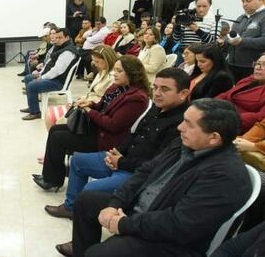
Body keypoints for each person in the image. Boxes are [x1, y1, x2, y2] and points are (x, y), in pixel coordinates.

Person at [57, 99, 251, 257]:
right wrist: (114, 204)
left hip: (172, 242)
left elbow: (180, 224)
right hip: (145, 212)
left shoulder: (225, 176)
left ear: (214, 138)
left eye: (189, 125)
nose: (180, 127)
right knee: (87, 199)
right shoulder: (186, 144)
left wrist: (124, 224)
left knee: (99, 254)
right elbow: (145, 172)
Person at [44, 68, 190, 220]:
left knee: (90, 191)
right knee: (78, 160)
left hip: (138, 173)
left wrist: (121, 162)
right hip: (124, 159)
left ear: (183, 94)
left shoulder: (182, 124)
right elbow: (134, 134)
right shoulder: (157, 108)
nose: (157, 93)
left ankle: (85, 235)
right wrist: (117, 152)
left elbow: (158, 164)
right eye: (155, 88)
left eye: (164, 89)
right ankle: (71, 207)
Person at [34, 55, 150, 191]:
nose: (115, 74)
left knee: (58, 138)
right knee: (55, 130)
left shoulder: (136, 98)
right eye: (115, 70)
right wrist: (91, 104)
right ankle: (51, 176)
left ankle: (52, 180)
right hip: (98, 129)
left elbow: (113, 125)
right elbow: (102, 106)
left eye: (119, 71)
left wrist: (89, 111)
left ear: (132, 73)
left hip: (107, 138)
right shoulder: (117, 88)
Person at [216, 51, 265, 133]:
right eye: (257, 63)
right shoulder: (251, 80)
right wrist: (209, 106)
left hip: (239, 127)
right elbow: (226, 95)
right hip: (220, 116)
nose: (258, 67)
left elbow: (261, 117)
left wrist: (224, 118)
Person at [21, 28, 78, 120]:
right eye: (56, 37)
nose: (57, 39)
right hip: (52, 77)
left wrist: (42, 77)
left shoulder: (67, 52)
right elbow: (50, 63)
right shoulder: (60, 47)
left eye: (60, 37)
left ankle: (35, 113)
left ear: (67, 37)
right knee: (28, 78)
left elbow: (58, 70)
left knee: (31, 85)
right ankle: (32, 106)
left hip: (58, 82)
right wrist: (41, 72)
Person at [225, 0, 265, 82]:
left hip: (252, 66)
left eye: (248, 1)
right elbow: (232, 36)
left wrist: (241, 41)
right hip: (232, 64)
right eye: (243, 1)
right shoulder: (241, 17)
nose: (244, 4)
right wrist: (224, 41)